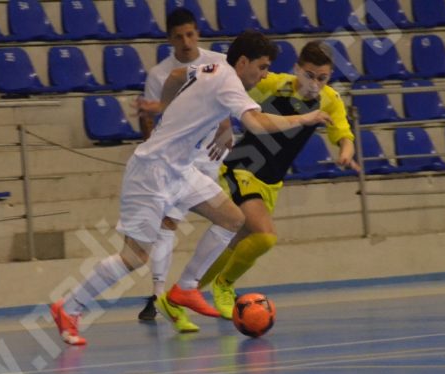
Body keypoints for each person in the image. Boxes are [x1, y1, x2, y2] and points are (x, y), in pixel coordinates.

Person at [49, 30, 332, 346]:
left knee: (233, 219)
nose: (264, 74)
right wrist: (304, 119)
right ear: (243, 61)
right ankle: (69, 307)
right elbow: (257, 124)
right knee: (134, 257)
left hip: (180, 170)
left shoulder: (213, 68)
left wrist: (172, 112)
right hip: (151, 173)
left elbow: (176, 75)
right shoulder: (229, 82)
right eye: (262, 66)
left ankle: (186, 288)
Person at [199, 40, 359, 319]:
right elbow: (230, 89)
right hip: (242, 168)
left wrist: (345, 151)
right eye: (309, 75)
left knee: (239, 239)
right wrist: (223, 123)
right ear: (297, 69)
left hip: (270, 182)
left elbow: (343, 134)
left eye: (322, 78)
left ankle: (182, 293)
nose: (315, 84)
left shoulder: (330, 100)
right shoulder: (274, 84)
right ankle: (224, 285)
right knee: (265, 236)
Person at [134, 7, 229, 322]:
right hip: (176, 162)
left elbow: (228, 98)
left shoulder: (217, 62)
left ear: (198, 33)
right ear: (169, 40)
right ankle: (160, 294)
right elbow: (149, 120)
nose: (186, 42)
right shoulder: (160, 74)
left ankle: (189, 287)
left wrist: (227, 128)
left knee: (232, 221)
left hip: (211, 157)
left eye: (190, 34)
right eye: (179, 37)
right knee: (168, 223)